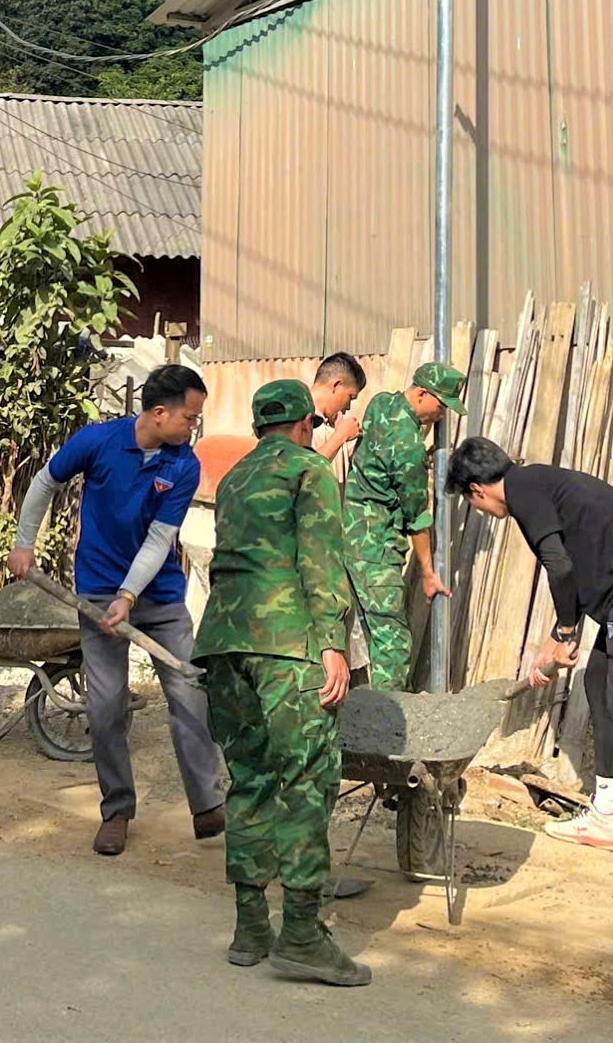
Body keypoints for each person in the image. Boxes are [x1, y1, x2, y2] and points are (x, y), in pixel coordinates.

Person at [448, 434, 613, 901]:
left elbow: (559, 566)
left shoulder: (523, 492)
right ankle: (606, 815)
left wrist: (566, 630)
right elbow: (579, 562)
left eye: (471, 502)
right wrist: (558, 636)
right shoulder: (535, 484)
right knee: (600, 685)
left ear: (476, 491)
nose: (478, 509)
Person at [9, 365, 227, 856]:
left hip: (159, 596)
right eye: (190, 417)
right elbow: (44, 482)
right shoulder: (98, 442)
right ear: (159, 413)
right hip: (98, 593)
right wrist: (24, 544)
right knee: (106, 707)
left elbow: (159, 539)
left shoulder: (183, 464)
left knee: (189, 692)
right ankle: (117, 810)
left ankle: (208, 804)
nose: (194, 426)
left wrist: (128, 596)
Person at [193, 379, 365, 988]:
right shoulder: (310, 470)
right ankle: (301, 935)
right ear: (304, 425)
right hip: (287, 647)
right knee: (305, 781)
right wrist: (332, 644)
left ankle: (250, 928)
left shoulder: (235, 478)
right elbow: (321, 561)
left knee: (251, 779)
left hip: (223, 645)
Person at [339, 361, 456, 690]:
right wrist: (428, 572)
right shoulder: (409, 448)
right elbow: (416, 516)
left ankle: (366, 709)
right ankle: (386, 713)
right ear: (421, 394)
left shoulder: (381, 404)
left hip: (350, 537)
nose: (443, 415)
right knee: (392, 642)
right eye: (441, 405)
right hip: (376, 550)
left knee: (367, 631)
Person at [307, 351, 367, 460]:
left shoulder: (332, 427)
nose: (348, 407)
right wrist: (341, 435)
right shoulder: (298, 420)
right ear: (337, 386)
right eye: (350, 397)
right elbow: (303, 466)